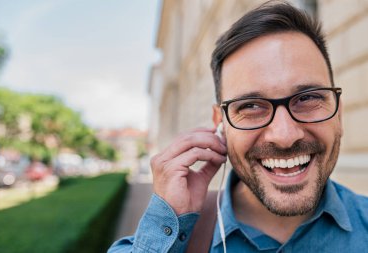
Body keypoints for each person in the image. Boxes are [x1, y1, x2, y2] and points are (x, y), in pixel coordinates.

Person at [108, 1, 368, 252]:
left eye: (308, 98)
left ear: (339, 114)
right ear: (220, 123)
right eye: (251, 106)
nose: (285, 136)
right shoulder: (170, 237)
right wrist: (169, 221)